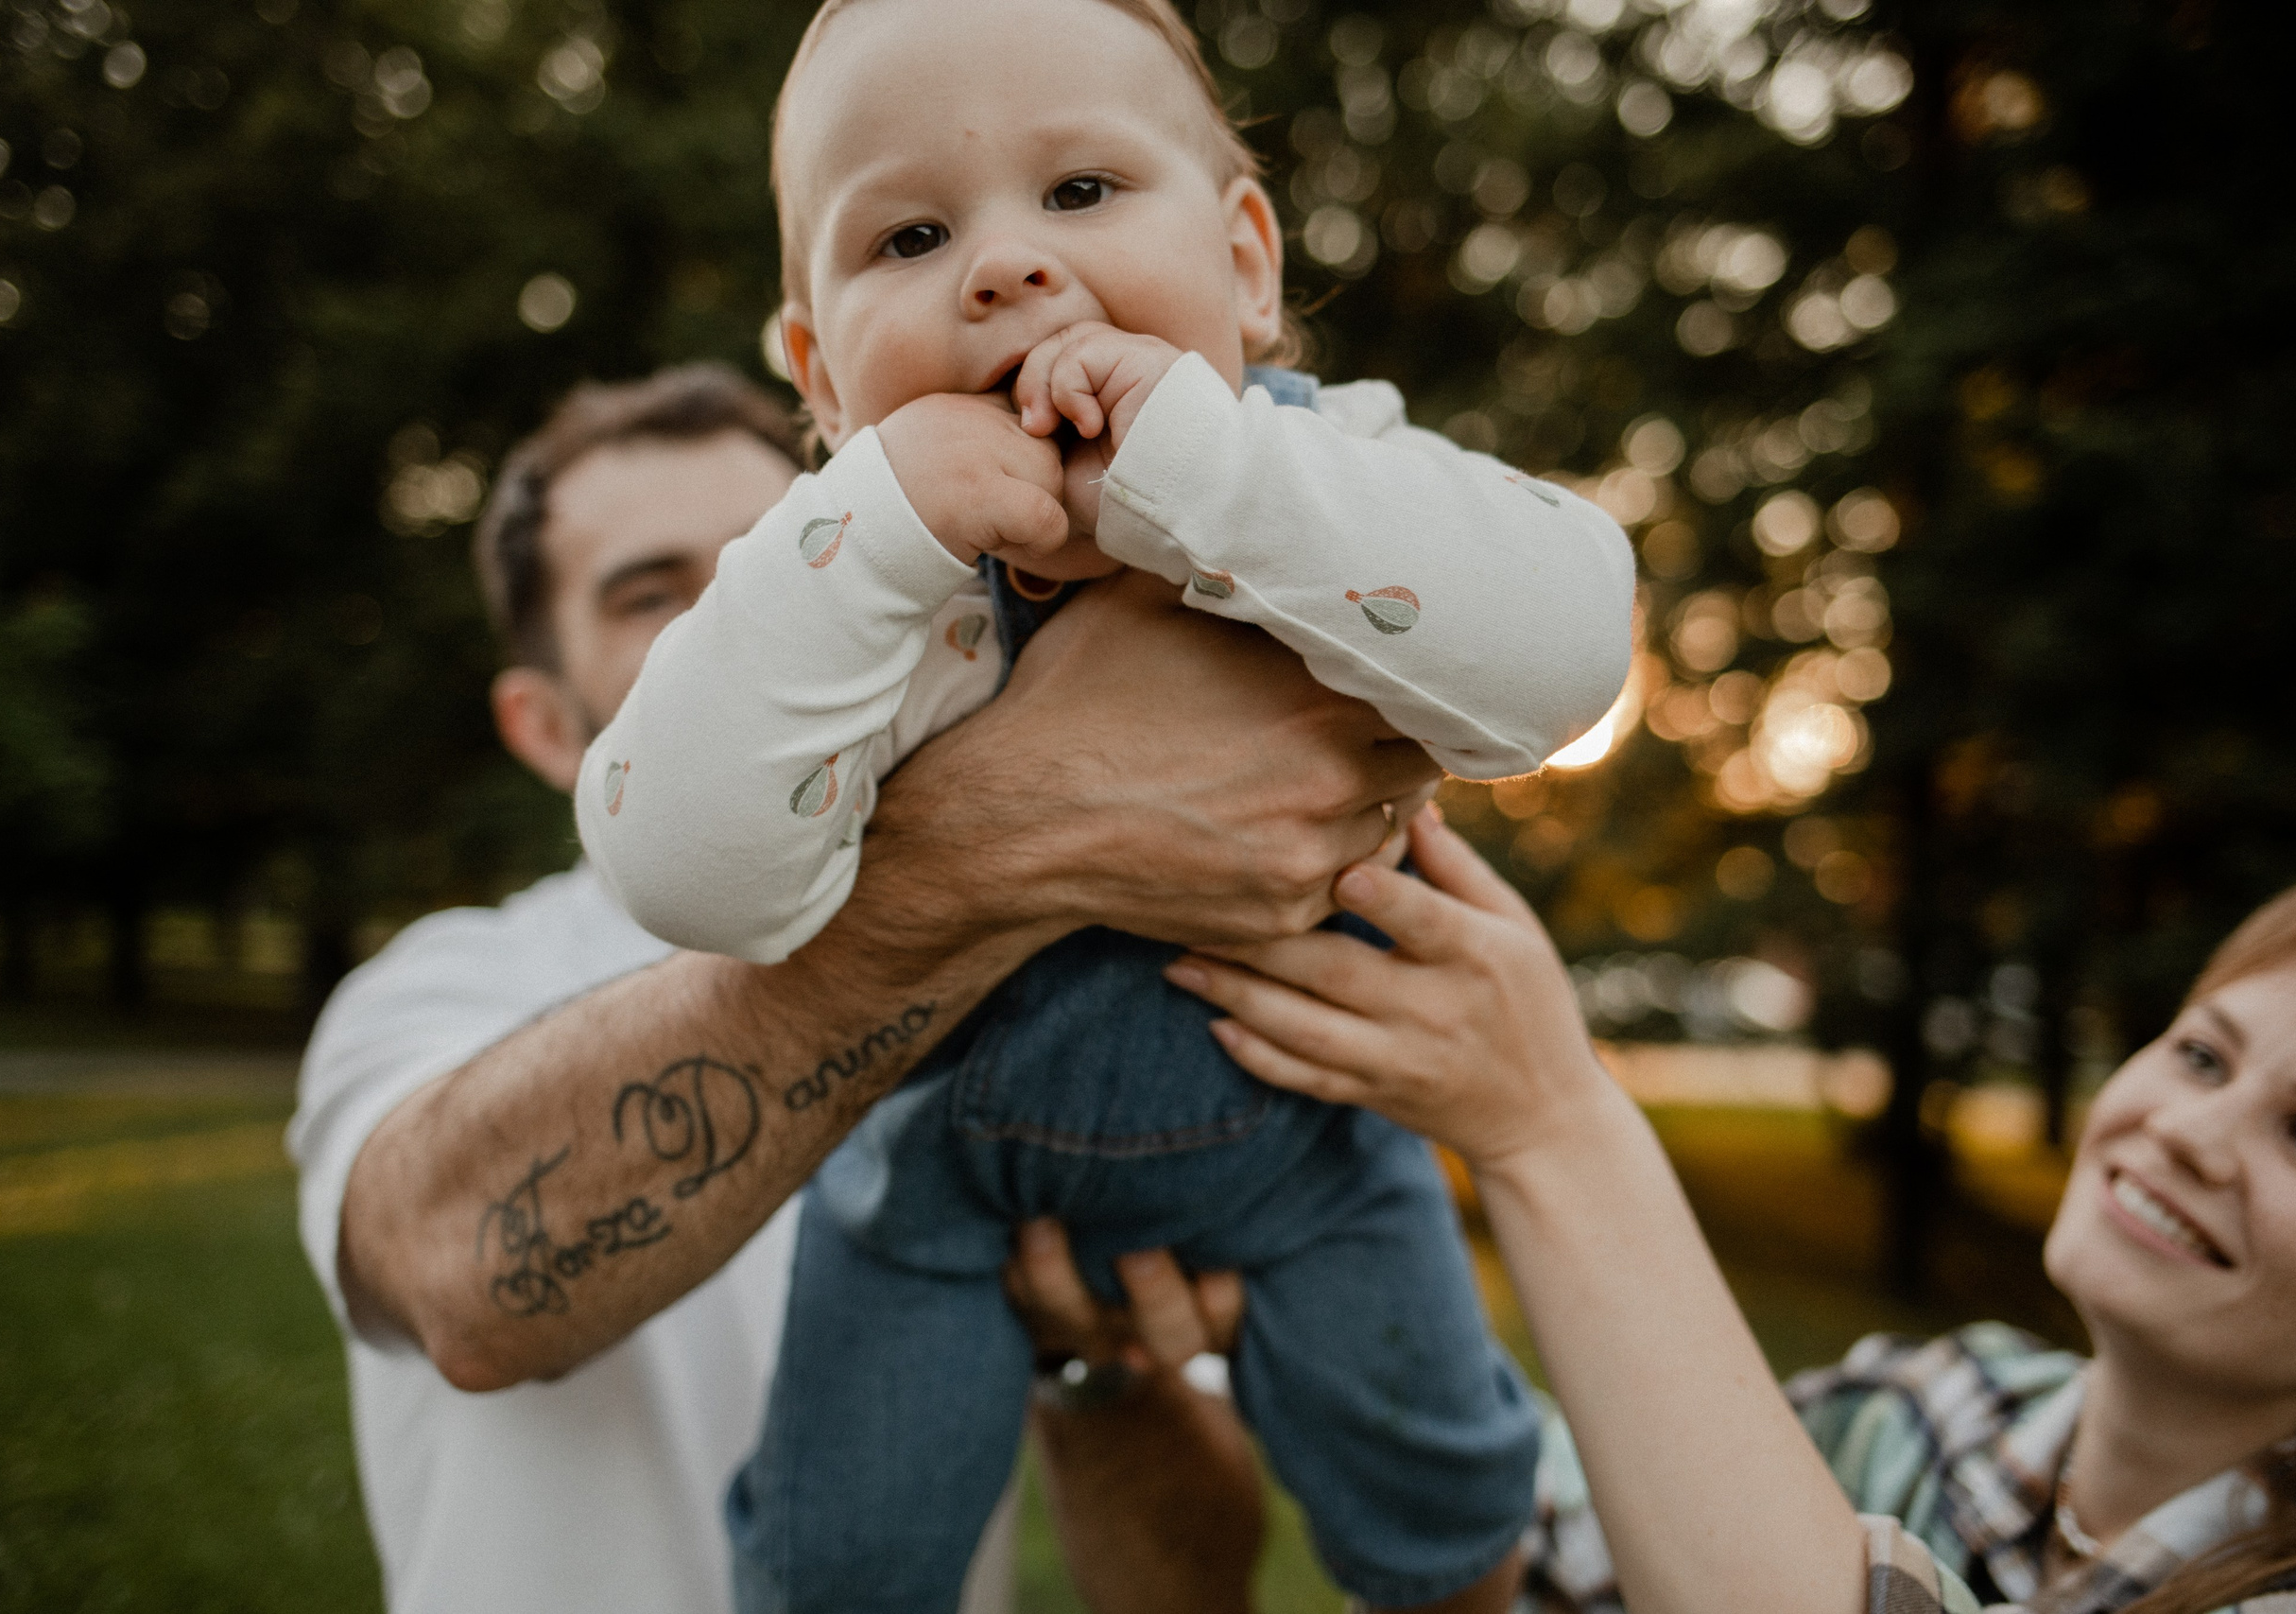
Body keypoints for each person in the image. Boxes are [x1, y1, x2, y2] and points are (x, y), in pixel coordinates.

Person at [573, 4, 1636, 1610]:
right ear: (821, 375)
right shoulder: (859, 593)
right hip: (935, 1188)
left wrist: (1199, 472)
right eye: (912, 235)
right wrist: (861, 532)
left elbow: (1565, 647)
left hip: (1315, 1132)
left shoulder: (1330, 480)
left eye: (1080, 194)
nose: (1002, 269)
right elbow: (681, 873)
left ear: (1248, 266)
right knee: (839, 1563)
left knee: (1445, 1514)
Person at [285, 362, 1445, 1614]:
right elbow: (460, 1287)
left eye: (787, 555)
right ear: (547, 729)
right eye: (651, 596)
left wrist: (1090, 1374)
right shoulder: (449, 984)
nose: (744, 622)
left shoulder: (1079, 967)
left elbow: (1193, 1592)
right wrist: (991, 846)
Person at [1117, 820, 2296, 1612]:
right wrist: (1272, 1324)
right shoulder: (1934, 1403)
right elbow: (1543, 1539)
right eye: (2201, 1055)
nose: (2190, 1132)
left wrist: (1554, 1122)